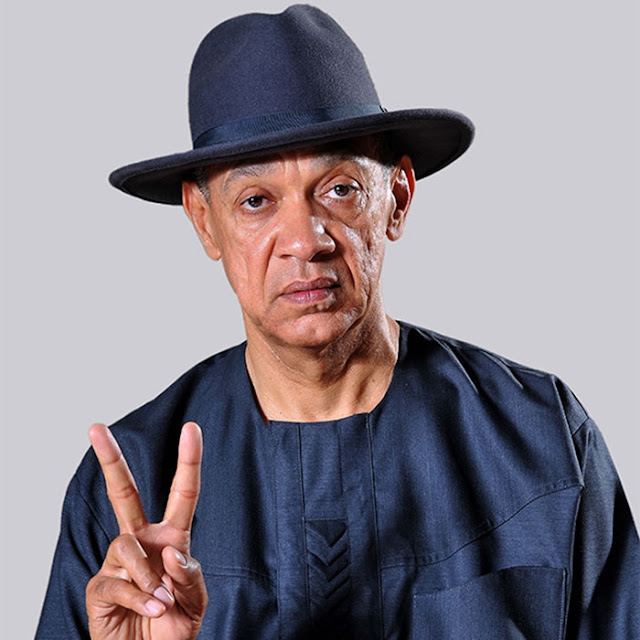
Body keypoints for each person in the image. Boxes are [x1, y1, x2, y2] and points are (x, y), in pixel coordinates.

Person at [36, 5, 639, 639]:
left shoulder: (541, 440)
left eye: (340, 189)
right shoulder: (130, 490)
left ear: (397, 198)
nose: (305, 240)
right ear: (204, 221)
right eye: (256, 201)